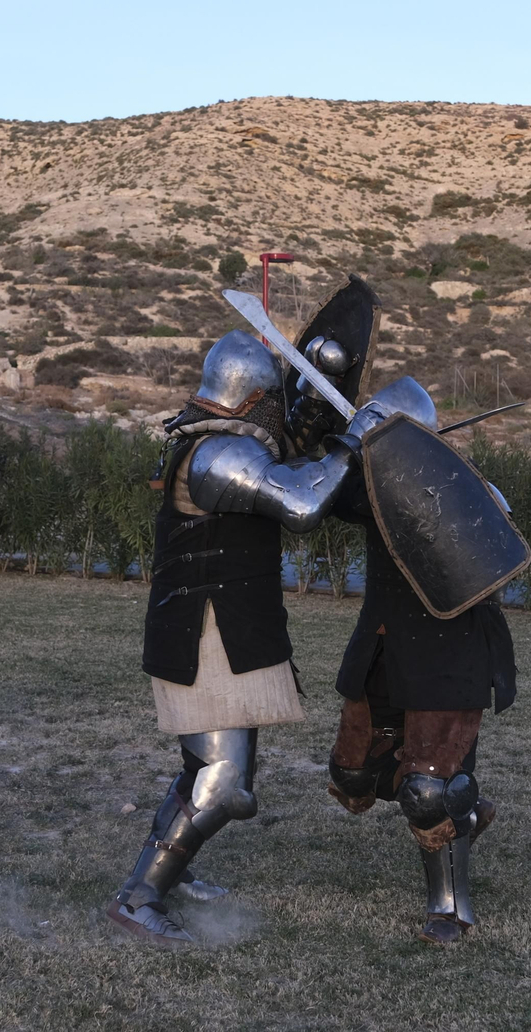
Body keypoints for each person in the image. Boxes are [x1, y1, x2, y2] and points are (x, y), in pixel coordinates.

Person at [107, 328, 362, 945]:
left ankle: (176, 864)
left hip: (218, 619)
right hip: (206, 628)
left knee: (203, 764)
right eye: (273, 399)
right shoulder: (221, 454)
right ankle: (138, 898)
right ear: (250, 398)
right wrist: (353, 444)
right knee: (224, 785)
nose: (278, 411)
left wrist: (315, 401)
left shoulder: (218, 438)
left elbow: (289, 450)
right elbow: (301, 502)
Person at [325, 377, 519, 945]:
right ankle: (470, 810)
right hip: (385, 642)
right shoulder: (364, 484)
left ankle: (451, 904)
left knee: (430, 787)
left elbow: (488, 539)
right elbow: (322, 502)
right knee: (352, 772)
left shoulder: (467, 489)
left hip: (449, 650)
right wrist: (338, 440)